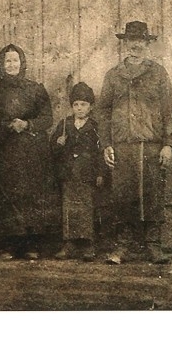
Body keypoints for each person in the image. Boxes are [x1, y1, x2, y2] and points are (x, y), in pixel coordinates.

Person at [97, 20, 172, 265]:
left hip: (151, 143)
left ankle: (153, 245)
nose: (136, 45)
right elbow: (103, 112)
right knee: (122, 196)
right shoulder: (113, 76)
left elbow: (169, 109)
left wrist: (168, 143)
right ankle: (123, 247)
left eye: (140, 41)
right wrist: (106, 144)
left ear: (147, 44)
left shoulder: (158, 73)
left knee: (153, 194)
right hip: (123, 144)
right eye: (131, 41)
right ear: (125, 44)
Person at [0, 43, 56, 260]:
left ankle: (31, 245)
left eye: (15, 60)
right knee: (7, 194)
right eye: (7, 61)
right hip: (5, 149)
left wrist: (26, 125)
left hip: (31, 151)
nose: (11, 65)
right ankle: (9, 244)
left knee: (31, 194)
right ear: (1, 64)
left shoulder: (35, 88)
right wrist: (6, 126)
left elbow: (47, 119)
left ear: (22, 63)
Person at [50, 81, 106, 262]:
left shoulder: (96, 127)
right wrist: (58, 144)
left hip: (87, 175)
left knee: (87, 208)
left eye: (84, 104)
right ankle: (69, 243)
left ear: (90, 106)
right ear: (72, 106)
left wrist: (100, 173)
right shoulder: (64, 125)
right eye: (76, 105)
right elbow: (52, 150)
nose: (79, 108)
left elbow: (101, 152)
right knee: (69, 207)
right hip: (68, 174)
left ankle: (88, 243)